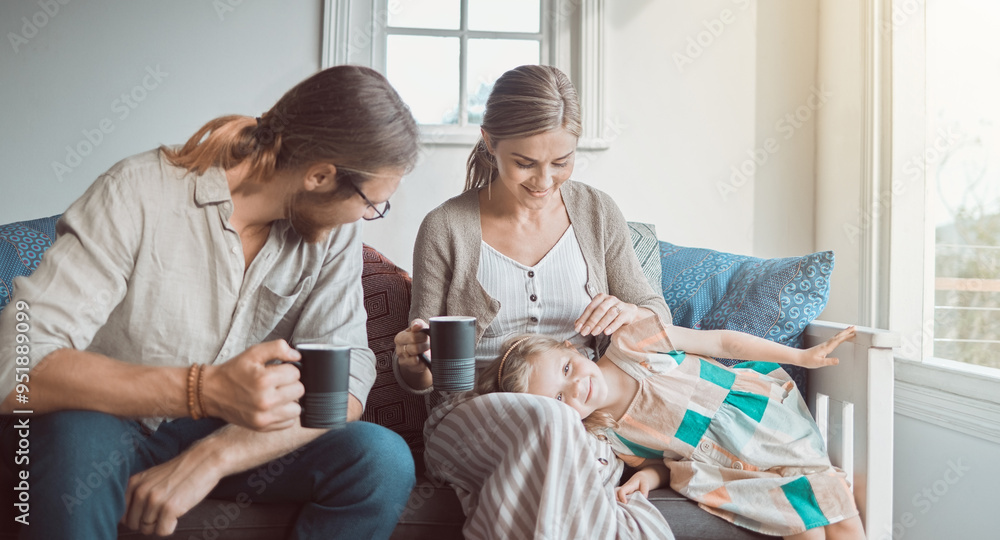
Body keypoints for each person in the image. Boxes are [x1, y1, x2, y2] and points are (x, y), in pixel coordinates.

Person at [0, 65, 419, 540]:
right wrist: (202, 389)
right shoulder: (136, 191)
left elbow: (344, 379)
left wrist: (213, 457)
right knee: (71, 438)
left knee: (380, 459)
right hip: (107, 423)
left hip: (231, 432)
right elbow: (16, 367)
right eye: (370, 202)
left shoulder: (333, 234)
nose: (369, 215)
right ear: (320, 176)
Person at [393, 65, 675, 538]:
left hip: (583, 416)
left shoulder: (597, 211)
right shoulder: (445, 226)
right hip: (469, 410)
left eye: (561, 161)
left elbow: (658, 317)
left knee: (560, 424)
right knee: (551, 422)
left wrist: (631, 313)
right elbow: (420, 378)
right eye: (525, 162)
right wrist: (411, 359)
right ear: (489, 142)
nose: (545, 181)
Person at [476, 315, 866, 540]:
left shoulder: (631, 344)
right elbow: (666, 458)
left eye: (565, 370)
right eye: (560, 400)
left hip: (758, 423)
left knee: (837, 509)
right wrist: (648, 477)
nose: (577, 386)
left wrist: (799, 355)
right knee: (805, 527)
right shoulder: (606, 434)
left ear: (571, 349)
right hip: (722, 468)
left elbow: (723, 342)